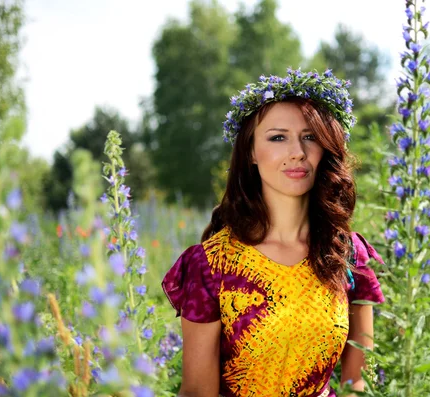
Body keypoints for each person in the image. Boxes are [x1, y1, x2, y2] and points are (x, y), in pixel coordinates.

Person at [162, 68, 385, 397]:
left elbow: (356, 384)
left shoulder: (348, 254)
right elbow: (197, 391)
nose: (297, 151)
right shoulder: (209, 266)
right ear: (251, 151)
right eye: (278, 137)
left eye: (310, 137)